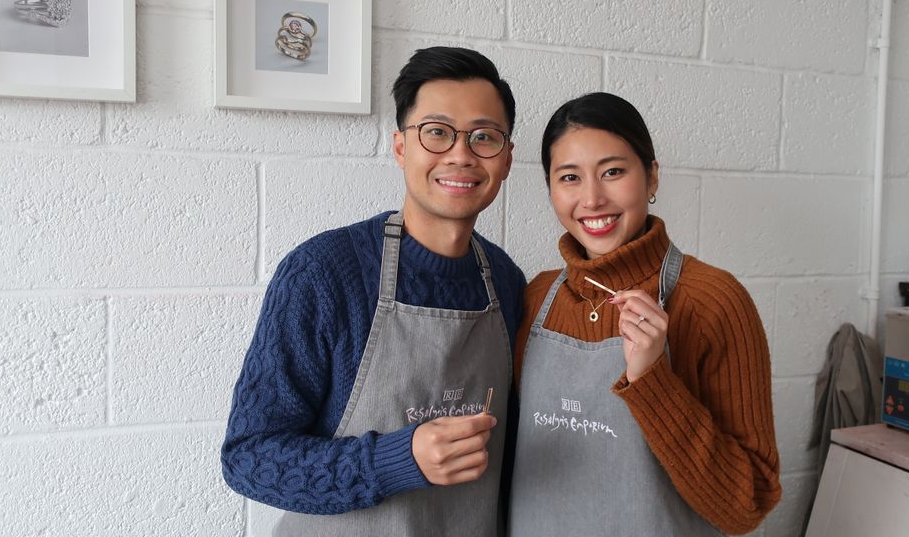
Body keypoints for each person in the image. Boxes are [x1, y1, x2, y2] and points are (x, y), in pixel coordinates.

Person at [221, 46, 525, 537]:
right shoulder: (323, 274)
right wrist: (396, 460)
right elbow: (249, 457)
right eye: (437, 132)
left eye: (484, 137)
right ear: (402, 146)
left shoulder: (507, 283)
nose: (461, 154)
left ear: (507, 158)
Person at [508, 92, 781, 535]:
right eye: (570, 177)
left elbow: (747, 505)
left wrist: (652, 379)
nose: (593, 199)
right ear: (550, 189)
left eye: (613, 172)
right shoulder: (535, 297)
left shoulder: (712, 301)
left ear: (652, 177)